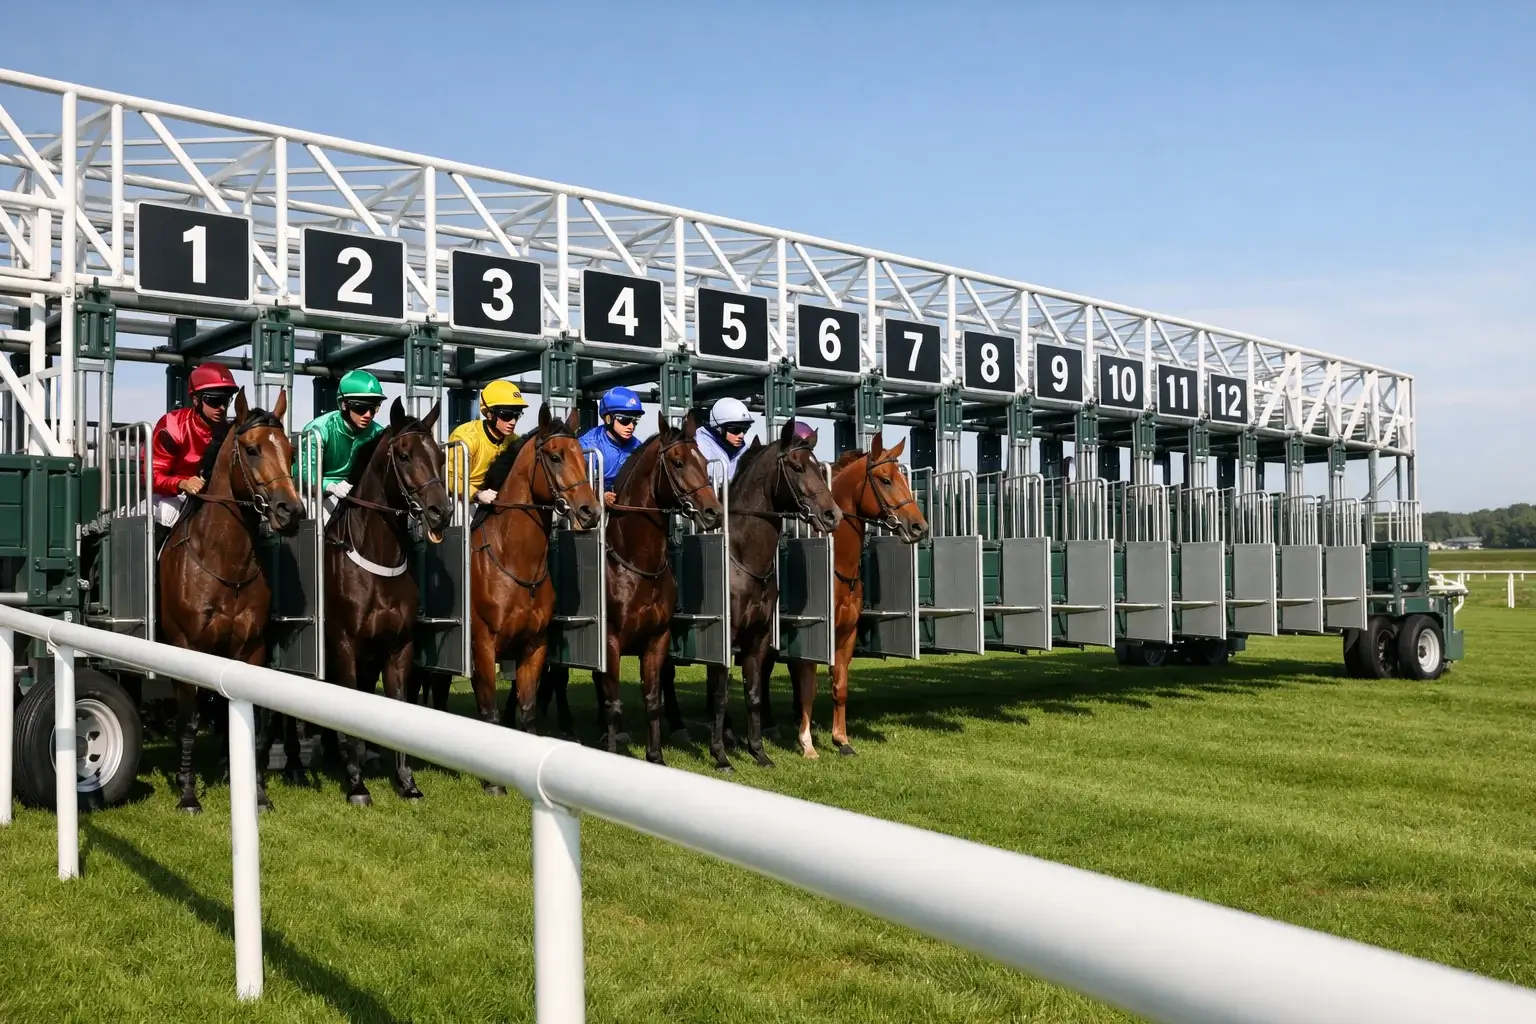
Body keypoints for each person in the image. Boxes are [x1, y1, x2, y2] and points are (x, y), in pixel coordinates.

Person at [151, 362, 240, 536]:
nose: (221, 408)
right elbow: (151, 476)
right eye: (214, 401)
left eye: (226, 401)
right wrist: (182, 483)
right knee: (167, 511)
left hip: (211, 496)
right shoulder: (172, 426)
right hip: (170, 495)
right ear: (196, 400)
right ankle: (155, 562)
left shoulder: (229, 431)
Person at [295, 369, 386, 519]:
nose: (368, 415)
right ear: (344, 405)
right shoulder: (317, 431)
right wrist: (331, 486)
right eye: (361, 408)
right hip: (315, 495)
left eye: (373, 408)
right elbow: (305, 477)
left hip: (357, 493)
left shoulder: (378, 433)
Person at [446, 379, 528, 506]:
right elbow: (452, 479)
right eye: (506, 415)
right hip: (464, 500)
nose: (512, 421)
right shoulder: (465, 437)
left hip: (496, 497)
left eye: (517, 415)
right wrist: (477, 494)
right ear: (490, 414)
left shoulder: (514, 441)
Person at [577, 387, 646, 507]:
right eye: (624, 420)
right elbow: (577, 483)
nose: (631, 426)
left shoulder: (638, 447)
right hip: (593, 510)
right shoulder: (588, 444)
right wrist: (600, 495)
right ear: (608, 418)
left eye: (635, 421)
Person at [693, 396, 755, 481]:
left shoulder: (745, 451)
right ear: (719, 429)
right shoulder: (698, 448)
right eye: (736, 430)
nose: (741, 435)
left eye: (745, 430)